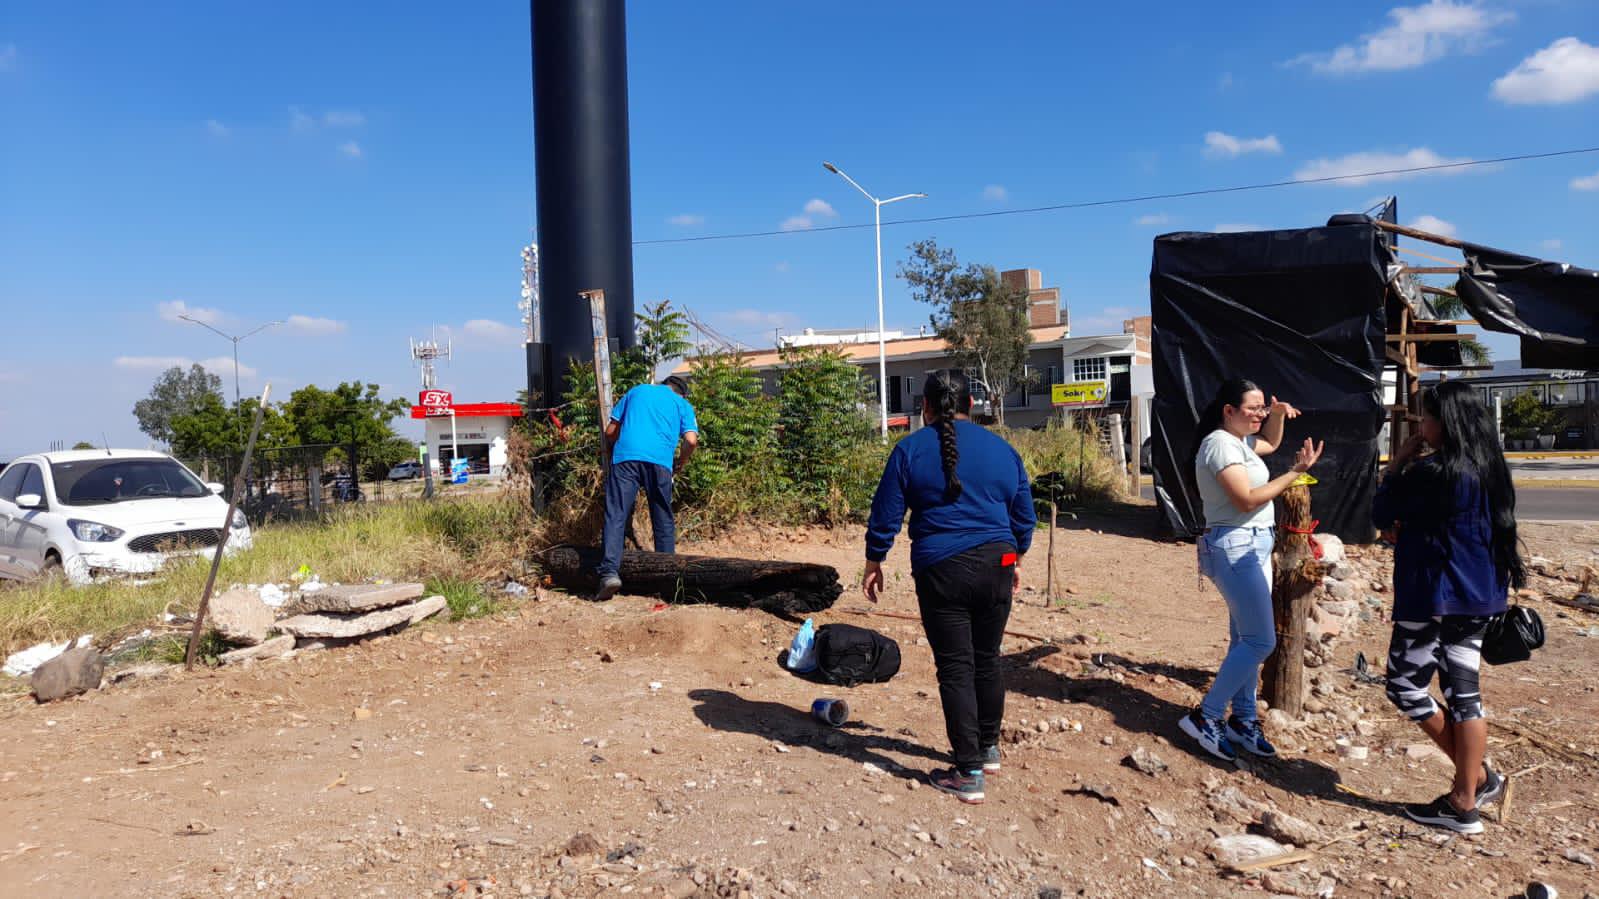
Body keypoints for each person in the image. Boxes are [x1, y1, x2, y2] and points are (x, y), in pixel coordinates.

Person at [862, 373, 1036, 805]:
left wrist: (874, 560)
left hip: (942, 568)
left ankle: (968, 770)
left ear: (925, 407)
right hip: (999, 561)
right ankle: (988, 748)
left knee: (956, 667)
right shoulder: (1003, 449)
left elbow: (887, 512)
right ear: (972, 402)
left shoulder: (909, 449)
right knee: (988, 658)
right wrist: (1015, 558)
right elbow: (1024, 517)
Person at [1373, 380, 1522, 834]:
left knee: (1404, 686)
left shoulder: (1433, 472)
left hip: (1434, 596)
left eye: (1428, 417)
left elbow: (1381, 513)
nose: (1423, 425)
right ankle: (1470, 790)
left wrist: (1397, 462)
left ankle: (1469, 788)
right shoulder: (1490, 467)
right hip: (1478, 595)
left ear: (1448, 422)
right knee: (1465, 696)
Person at [1179, 378, 1323, 762]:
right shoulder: (1219, 445)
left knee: (1245, 637)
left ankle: (1243, 718)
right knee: (1261, 641)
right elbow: (1244, 500)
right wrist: (1295, 472)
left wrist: (1276, 417)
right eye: (1254, 408)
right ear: (1229, 410)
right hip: (1234, 545)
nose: (1260, 414)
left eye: (1263, 407)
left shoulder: (1239, 441)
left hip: (1254, 542)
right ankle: (1206, 716)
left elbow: (1272, 443)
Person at [596, 375, 699, 600]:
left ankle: (609, 574)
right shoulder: (682, 404)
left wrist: (617, 445)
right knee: (662, 518)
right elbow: (691, 440)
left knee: (616, 515)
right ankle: (667, 578)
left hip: (626, 458)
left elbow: (610, 431)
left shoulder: (637, 390)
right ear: (681, 393)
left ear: (663, 385)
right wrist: (681, 462)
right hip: (661, 462)